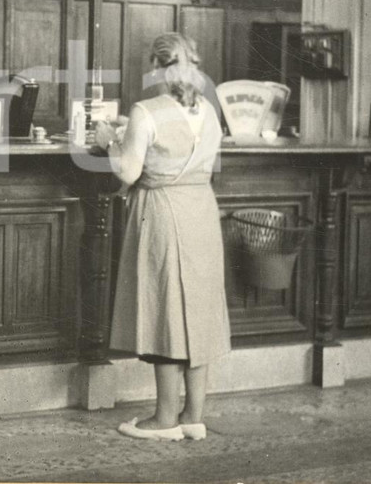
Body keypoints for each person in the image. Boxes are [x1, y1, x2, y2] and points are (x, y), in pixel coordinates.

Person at [94, 32, 230, 442]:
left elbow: (128, 172)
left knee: (164, 312)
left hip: (162, 214)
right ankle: (193, 416)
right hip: (201, 212)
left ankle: (164, 419)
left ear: (156, 67)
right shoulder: (208, 108)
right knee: (199, 315)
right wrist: (134, 131)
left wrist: (109, 143)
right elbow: (185, 142)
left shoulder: (145, 110)